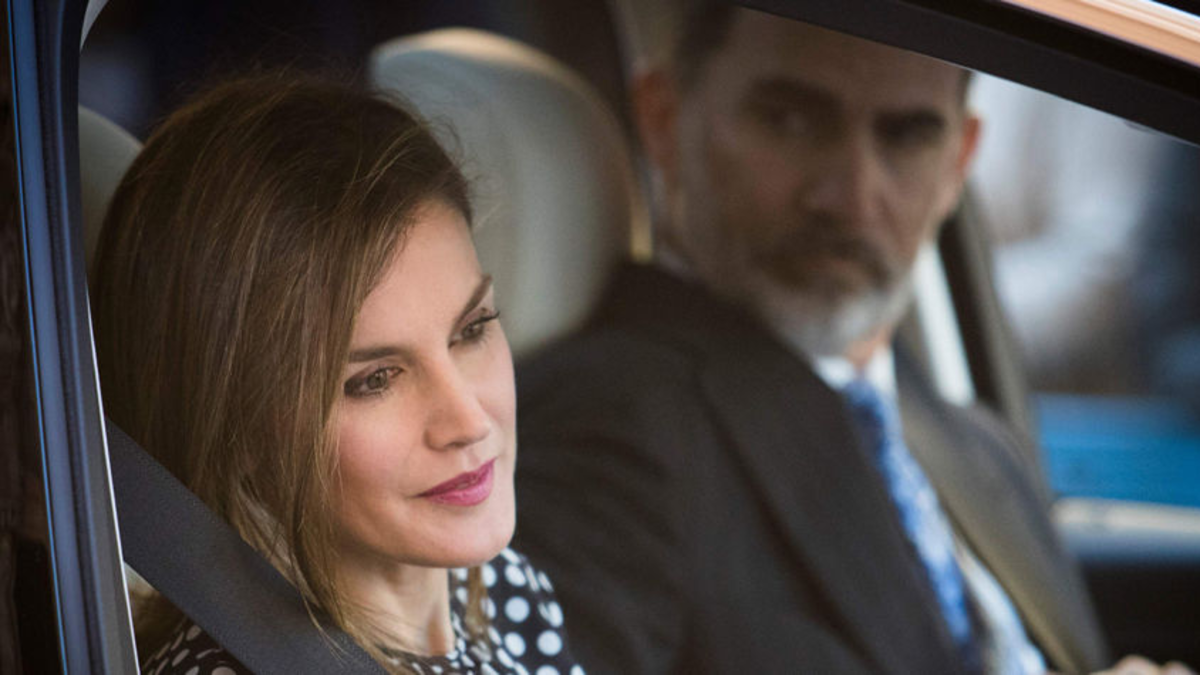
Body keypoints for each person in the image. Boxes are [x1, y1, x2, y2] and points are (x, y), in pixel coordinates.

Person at [513, 5, 1111, 674]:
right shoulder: (609, 426)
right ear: (663, 118)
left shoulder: (976, 440)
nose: (851, 196)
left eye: (906, 137)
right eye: (790, 121)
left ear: (958, 164)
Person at [91, 72, 581, 675]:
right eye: (375, 380)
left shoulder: (495, 587)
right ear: (242, 433)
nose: (469, 421)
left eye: (473, 329)